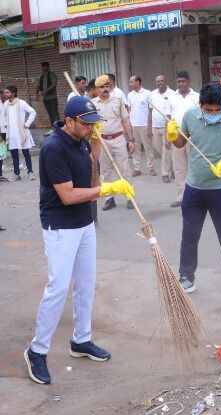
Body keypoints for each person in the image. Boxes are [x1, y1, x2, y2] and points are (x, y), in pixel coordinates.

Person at [24, 95, 134, 385]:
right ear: (70, 121)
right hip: (60, 225)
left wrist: (94, 143)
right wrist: (109, 189)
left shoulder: (82, 140)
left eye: (94, 124)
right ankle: (37, 350)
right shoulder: (53, 148)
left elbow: (90, 171)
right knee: (58, 288)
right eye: (87, 125)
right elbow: (69, 195)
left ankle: (81, 340)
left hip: (84, 223)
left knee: (86, 284)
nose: (90, 128)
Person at [172, 83, 221, 298]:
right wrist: (172, 135)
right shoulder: (189, 116)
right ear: (200, 106)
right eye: (208, 110)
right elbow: (180, 143)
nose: (213, 114)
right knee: (189, 235)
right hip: (194, 188)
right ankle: (186, 276)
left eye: (217, 110)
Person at [92, 75, 134, 211]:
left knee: (124, 169)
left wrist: (131, 140)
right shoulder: (92, 104)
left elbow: (126, 121)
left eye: (107, 86)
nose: (105, 89)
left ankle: (129, 197)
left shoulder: (118, 100)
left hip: (118, 139)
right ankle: (109, 199)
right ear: (97, 89)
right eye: (102, 87)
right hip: (102, 141)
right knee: (105, 171)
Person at [163, 72, 200, 206]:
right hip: (176, 135)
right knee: (179, 168)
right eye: (179, 81)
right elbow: (167, 117)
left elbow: (201, 116)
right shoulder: (172, 97)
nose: (181, 84)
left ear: (189, 81)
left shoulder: (196, 97)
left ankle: (195, 196)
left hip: (193, 135)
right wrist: (167, 138)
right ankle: (181, 197)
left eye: (184, 81)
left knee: (194, 166)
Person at [1, 86, 38, 181]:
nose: (5, 94)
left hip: (22, 132)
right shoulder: (5, 104)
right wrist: (5, 125)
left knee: (26, 153)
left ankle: (30, 172)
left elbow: (32, 111)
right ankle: (16, 174)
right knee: (14, 154)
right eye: (5, 93)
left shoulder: (21, 103)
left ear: (13, 93)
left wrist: (27, 124)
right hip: (12, 133)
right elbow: (4, 116)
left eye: (7, 92)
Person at [124, 76, 153, 178]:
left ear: (138, 82)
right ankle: (137, 168)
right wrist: (128, 124)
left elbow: (150, 110)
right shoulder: (130, 95)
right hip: (133, 125)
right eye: (130, 82)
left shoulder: (148, 93)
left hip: (144, 124)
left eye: (132, 82)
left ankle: (151, 167)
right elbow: (129, 109)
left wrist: (150, 126)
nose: (130, 84)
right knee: (135, 148)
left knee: (148, 147)